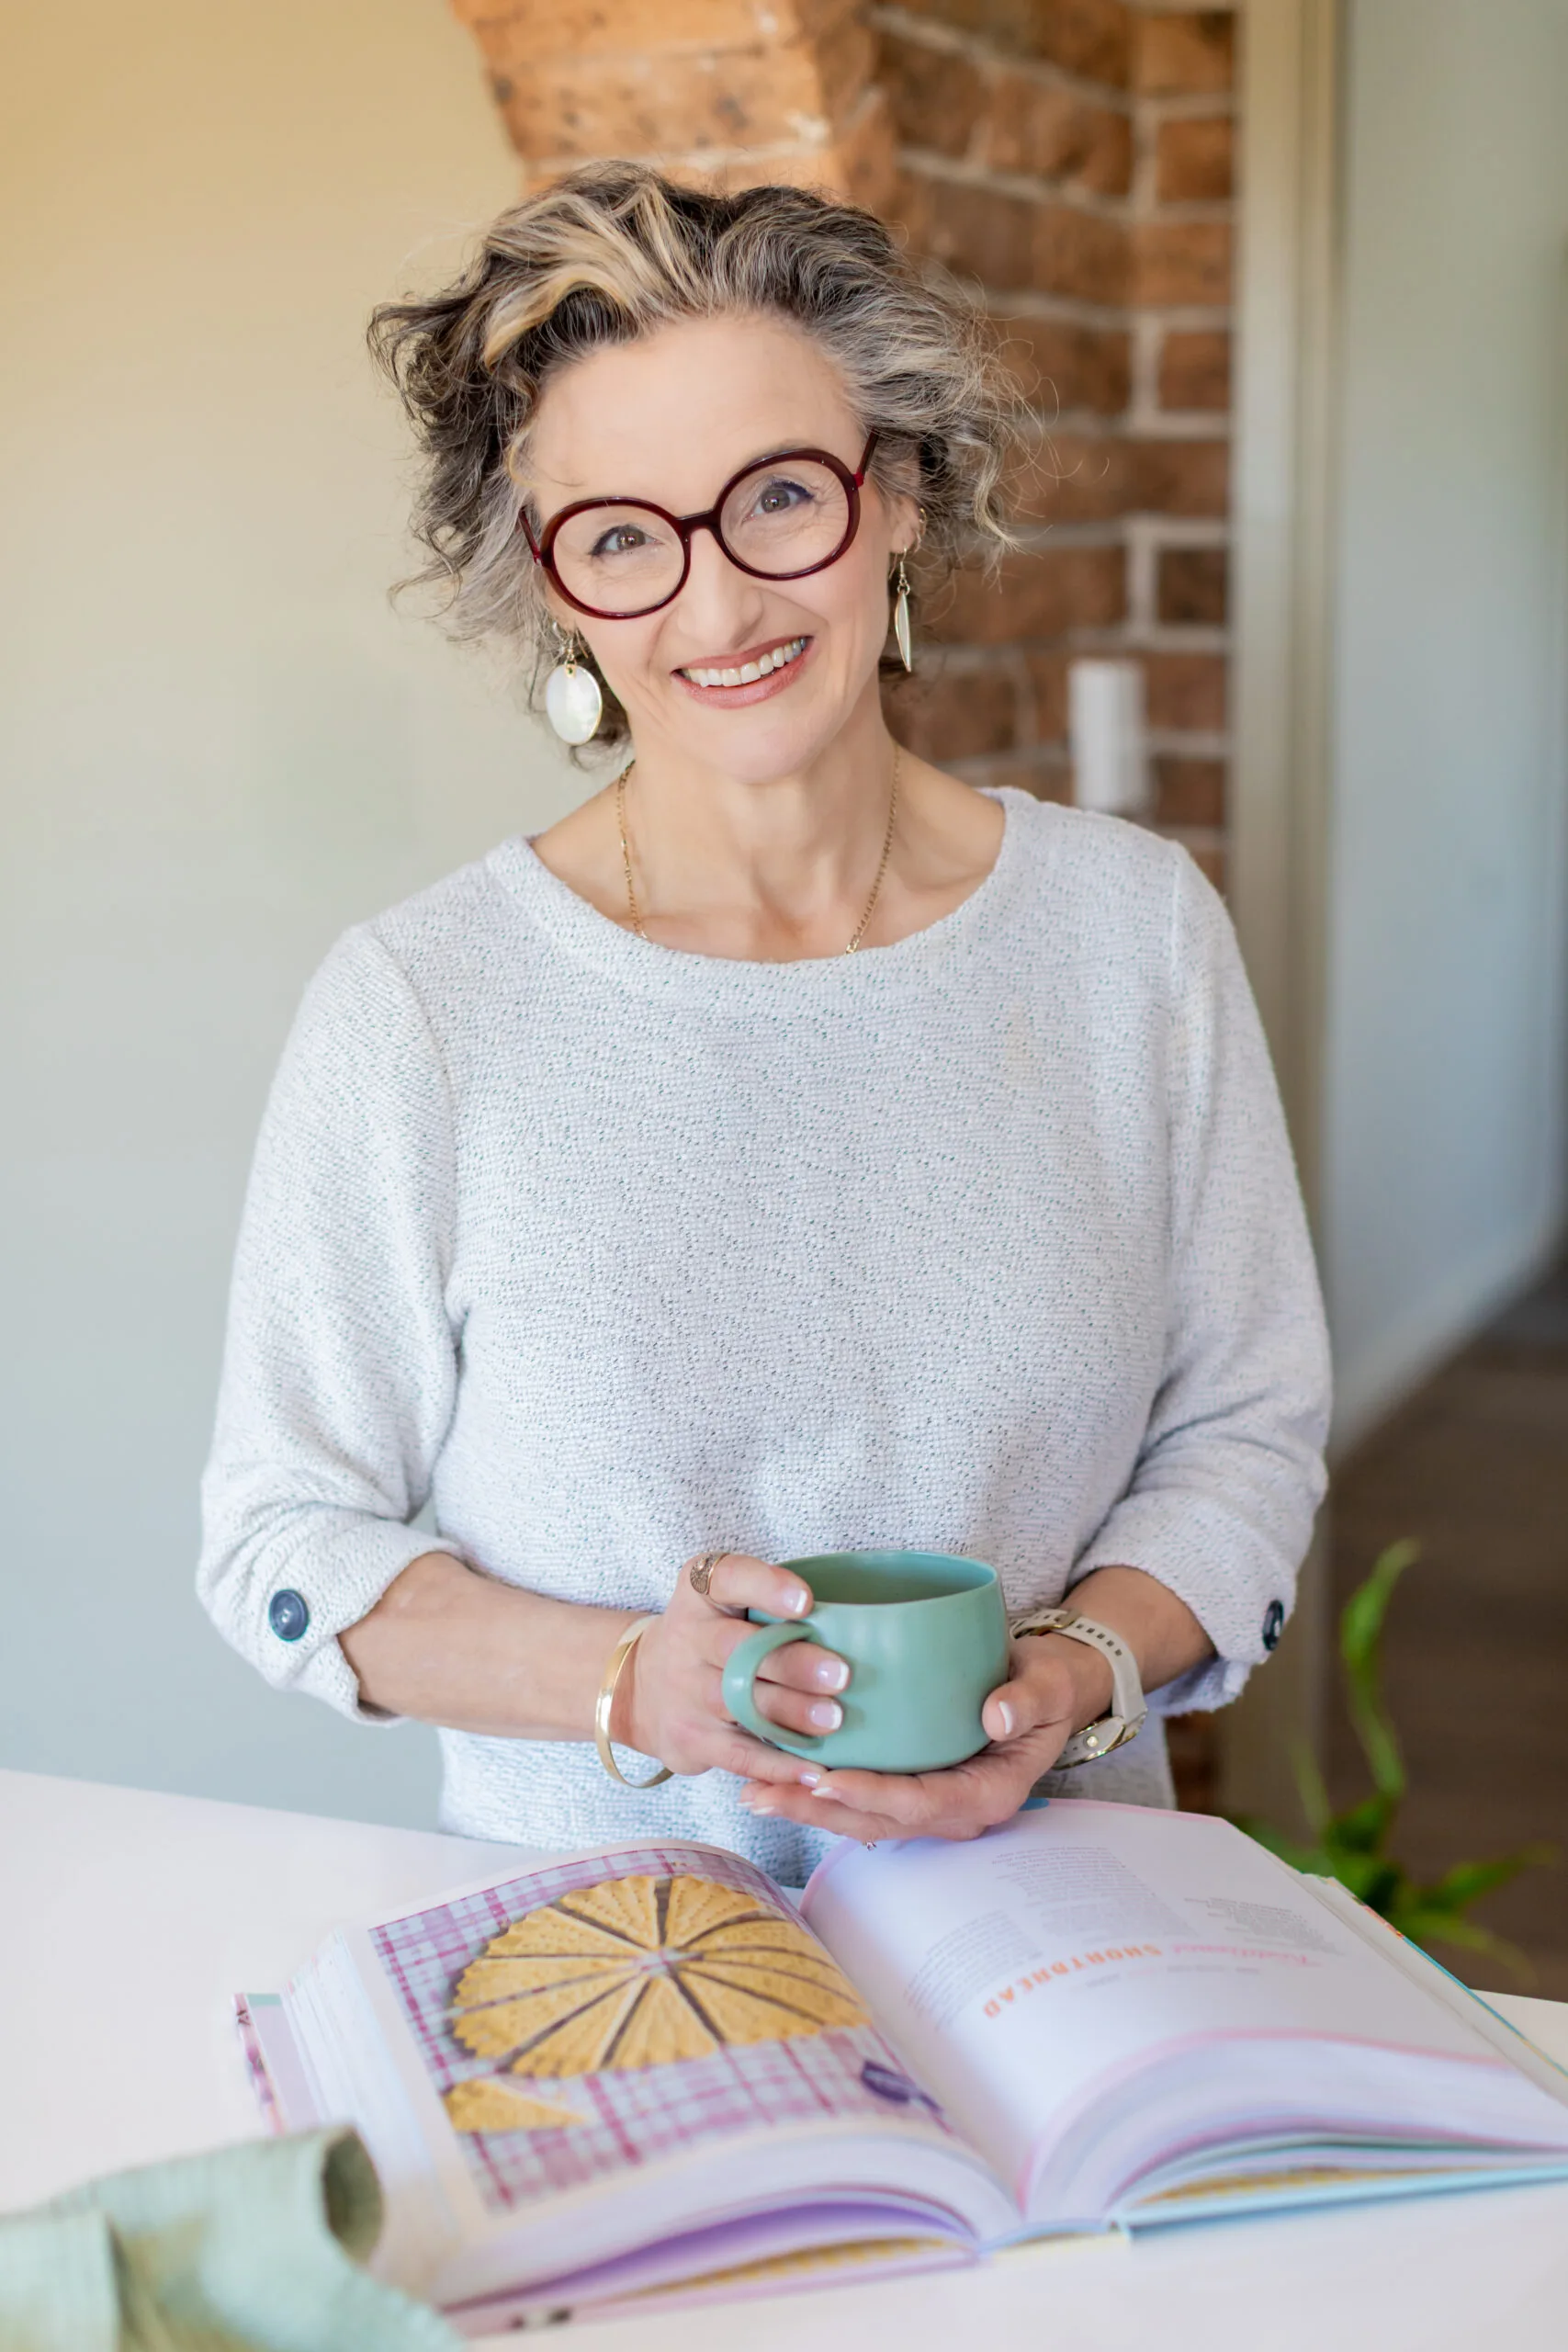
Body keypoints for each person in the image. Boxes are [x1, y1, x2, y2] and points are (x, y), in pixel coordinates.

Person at [197, 164, 1330, 1887]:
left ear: (897, 498)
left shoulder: (1132, 930)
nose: (717, 608)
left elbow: (1240, 1435)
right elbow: (282, 1538)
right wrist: (620, 1685)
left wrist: (1082, 1677)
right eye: (625, 537)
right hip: (611, 1965)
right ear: (553, 586)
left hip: (1070, 1948)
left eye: (777, 497)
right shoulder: (423, 1007)